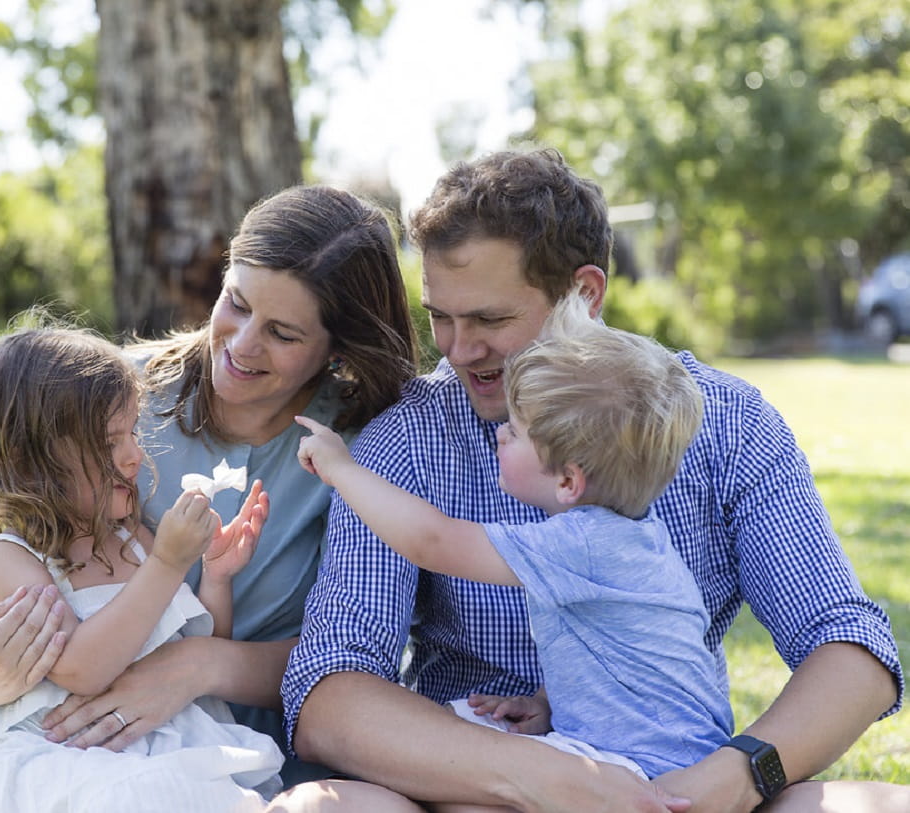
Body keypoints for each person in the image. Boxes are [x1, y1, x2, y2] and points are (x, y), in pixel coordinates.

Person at [281, 148, 905, 813]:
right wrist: (540, 775)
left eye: (491, 319)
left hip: (679, 790)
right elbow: (329, 689)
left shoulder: (728, 422)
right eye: (441, 317)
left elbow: (851, 647)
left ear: (584, 294)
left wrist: (740, 772)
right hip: (476, 785)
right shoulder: (404, 442)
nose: (459, 350)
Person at [0, 185, 420, 790]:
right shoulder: (107, 395)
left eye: (284, 334)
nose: (242, 345)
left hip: (252, 756)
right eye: (236, 303)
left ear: (338, 348)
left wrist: (200, 665)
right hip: (86, 754)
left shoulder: (369, 447)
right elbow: (32, 558)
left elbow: (362, 656)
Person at [294, 287, 734, 781]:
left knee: (447, 778)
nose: (500, 433)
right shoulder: (635, 538)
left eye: (517, 431)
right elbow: (619, 654)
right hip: (679, 754)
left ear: (568, 481)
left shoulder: (580, 544)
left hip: (641, 768)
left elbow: (432, 541)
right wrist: (547, 703)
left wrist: (342, 470)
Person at [0, 324, 285, 812]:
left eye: (133, 432)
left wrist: (216, 576)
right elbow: (81, 669)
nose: (133, 455)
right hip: (62, 753)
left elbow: (198, 646)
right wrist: (166, 562)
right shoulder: (10, 558)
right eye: (107, 442)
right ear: (30, 461)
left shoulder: (131, 537)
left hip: (170, 743)